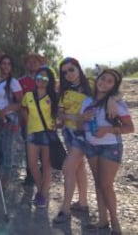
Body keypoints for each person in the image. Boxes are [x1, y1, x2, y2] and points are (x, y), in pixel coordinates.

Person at [80, 69, 134, 234]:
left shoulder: (116, 104)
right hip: (91, 145)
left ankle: (115, 223)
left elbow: (130, 128)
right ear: (98, 79)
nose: (104, 83)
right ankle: (103, 220)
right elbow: (81, 126)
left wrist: (108, 129)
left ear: (114, 86)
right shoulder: (87, 101)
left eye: (110, 81)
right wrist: (84, 119)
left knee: (105, 184)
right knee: (98, 183)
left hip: (110, 146)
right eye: (103, 78)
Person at [53, 57, 93, 223]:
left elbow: (114, 92)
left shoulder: (91, 87)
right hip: (68, 132)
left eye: (71, 69)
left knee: (68, 168)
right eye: (64, 72)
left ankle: (65, 209)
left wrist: (113, 101)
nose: (68, 74)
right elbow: (61, 114)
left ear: (78, 68)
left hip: (81, 135)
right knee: (79, 167)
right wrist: (72, 117)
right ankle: (83, 203)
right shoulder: (64, 90)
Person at [21, 66, 58, 208]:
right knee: (32, 164)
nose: (41, 80)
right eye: (38, 77)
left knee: (47, 166)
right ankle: (42, 192)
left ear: (49, 81)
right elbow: (23, 107)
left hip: (48, 134)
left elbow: (59, 113)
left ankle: (42, 195)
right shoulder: (28, 95)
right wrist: (27, 118)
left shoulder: (53, 96)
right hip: (32, 133)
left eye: (44, 78)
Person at [0, 54, 22, 188]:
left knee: (7, 150)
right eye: (3, 63)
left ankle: (5, 179)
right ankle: (1, 172)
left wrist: (6, 110)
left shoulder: (13, 82)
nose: (6, 66)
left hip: (8, 120)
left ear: (11, 66)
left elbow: (20, 103)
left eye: (8, 64)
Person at [18, 53, 47, 186]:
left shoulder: (46, 80)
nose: (32, 64)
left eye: (35, 62)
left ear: (41, 64)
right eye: (29, 62)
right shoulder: (21, 81)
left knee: (44, 149)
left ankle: (43, 176)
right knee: (29, 149)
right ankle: (30, 175)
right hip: (27, 122)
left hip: (45, 123)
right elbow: (21, 104)